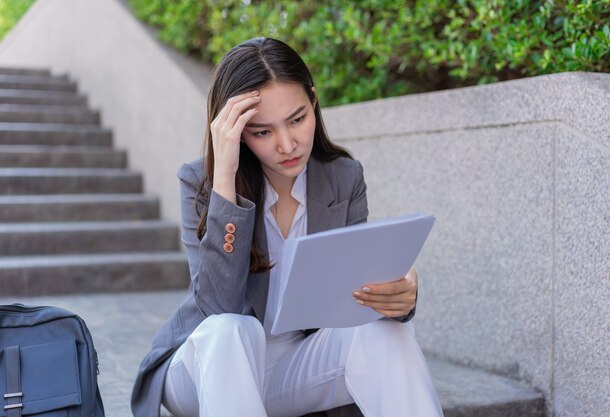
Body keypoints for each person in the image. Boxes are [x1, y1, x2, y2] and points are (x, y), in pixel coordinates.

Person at [131, 37, 443, 417]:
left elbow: (349, 298)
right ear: (237, 133)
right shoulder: (200, 181)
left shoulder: (342, 177)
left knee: (384, 331)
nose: (287, 144)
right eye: (262, 132)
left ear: (313, 101)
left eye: (297, 119)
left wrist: (396, 289)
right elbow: (217, 305)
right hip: (204, 369)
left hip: (295, 366)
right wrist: (225, 178)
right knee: (231, 330)